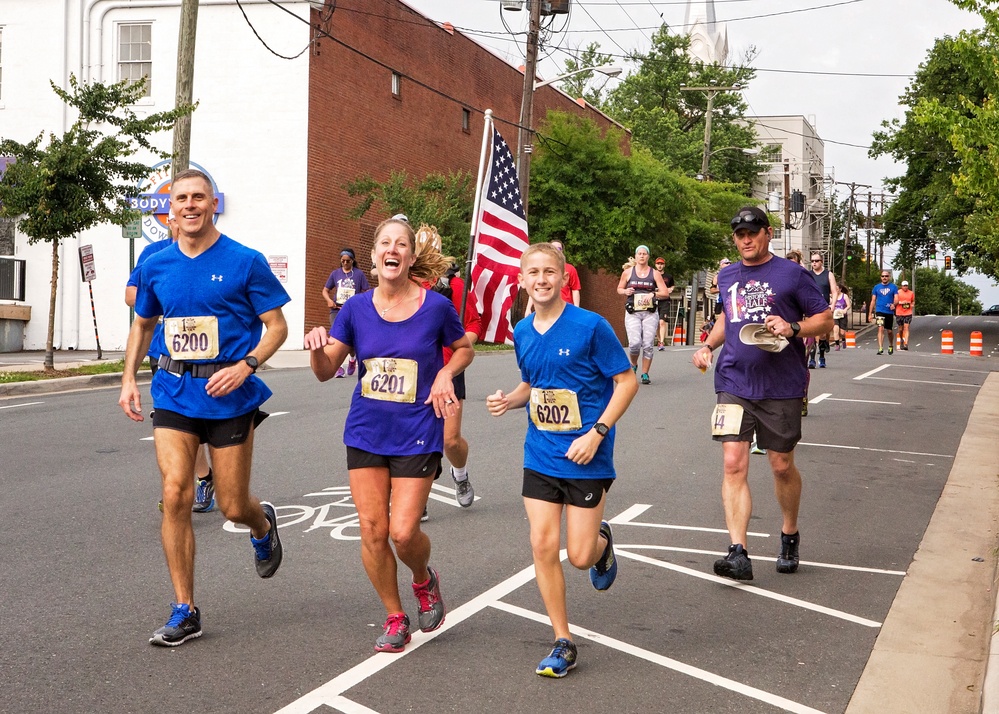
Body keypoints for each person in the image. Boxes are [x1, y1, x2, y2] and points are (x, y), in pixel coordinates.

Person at [118, 169, 290, 646]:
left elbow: (277, 326)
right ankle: (184, 608)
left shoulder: (244, 261)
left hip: (229, 393)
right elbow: (143, 324)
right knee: (176, 492)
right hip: (173, 389)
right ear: (169, 209)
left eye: (198, 197)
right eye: (181, 199)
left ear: (213, 203)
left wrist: (247, 365)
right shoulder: (157, 263)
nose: (190, 205)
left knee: (233, 505)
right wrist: (129, 377)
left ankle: (262, 524)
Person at [303, 216, 473, 653]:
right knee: (372, 530)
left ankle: (423, 578)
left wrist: (445, 376)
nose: (392, 249)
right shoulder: (355, 308)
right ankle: (395, 616)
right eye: (384, 243)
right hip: (365, 430)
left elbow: (464, 348)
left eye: (401, 244)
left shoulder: (435, 306)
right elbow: (326, 372)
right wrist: (318, 348)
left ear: (411, 256)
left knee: (402, 532)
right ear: (375, 256)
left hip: (418, 429)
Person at [486, 243, 638, 678]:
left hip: (588, 454)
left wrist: (597, 432)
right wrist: (508, 400)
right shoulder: (522, 331)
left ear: (563, 277)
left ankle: (602, 546)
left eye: (549, 272)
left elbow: (626, 383)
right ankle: (562, 640)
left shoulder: (591, 326)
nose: (541, 279)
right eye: (532, 272)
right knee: (542, 543)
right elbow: (531, 385)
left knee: (580, 556)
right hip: (541, 453)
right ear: (522, 281)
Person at [692, 206, 832, 582]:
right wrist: (708, 345)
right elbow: (728, 316)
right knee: (734, 461)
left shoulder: (792, 274)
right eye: (739, 234)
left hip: (781, 384)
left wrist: (793, 326)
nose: (746, 239)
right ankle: (738, 551)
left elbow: (825, 318)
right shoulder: (727, 275)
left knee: (780, 464)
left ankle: (789, 533)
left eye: (753, 232)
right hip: (734, 381)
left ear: (768, 233)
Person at [126, 213, 216, 513]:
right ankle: (177, 487)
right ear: (171, 223)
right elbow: (130, 295)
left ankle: (203, 476)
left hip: (208, 357)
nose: (183, 224)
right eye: (176, 219)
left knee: (198, 417)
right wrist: (167, 296)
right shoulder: (154, 256)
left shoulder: (213, 252)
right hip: (164, 352)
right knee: (174, 419)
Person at [417, 225, 483, 516]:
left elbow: (473, 325)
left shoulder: (454, 286)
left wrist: (460, 345)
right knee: (415, 441)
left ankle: (461, 474)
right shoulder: (402, 285)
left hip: (449, 369)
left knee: (449, 440)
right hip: (415, 373)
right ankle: (417, 501)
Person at [617, 245, 671, 385]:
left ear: (648, 257)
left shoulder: (654, 274)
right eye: (639, 253)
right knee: (634, 343)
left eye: (644, 254)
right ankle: (633, 364)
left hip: (650, 313)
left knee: (647, 344)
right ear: (635, 256)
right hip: (633, 312)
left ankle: (645, 373)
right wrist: (625, 292)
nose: (642, 256)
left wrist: (653, 294)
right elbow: (619, 288)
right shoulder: (628, 273)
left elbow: (665, 293)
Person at [322, 248, 370, 378]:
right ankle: (338, 367)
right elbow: (325, 290)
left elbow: (367, 291)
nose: (344, 263)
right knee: (336, 337)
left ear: (352, 261)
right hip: (336, 310)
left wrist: (359, 303)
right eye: (342, 261)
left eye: (347, 261)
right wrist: (328, 301)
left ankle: (352, 359)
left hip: (353, 311)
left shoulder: (359, 274)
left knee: (352, 339)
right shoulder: (335, 274)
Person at [786, 250, 813, 417]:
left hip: (803, 329)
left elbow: (813, 310)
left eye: (792, 262)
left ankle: (802, 396)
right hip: (785, 330)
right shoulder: (781, 279)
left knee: (802, 364)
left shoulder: (804, 279)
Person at [524, 238, 581, 313]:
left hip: (565, 309)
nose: (556, 250)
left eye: (558, 248)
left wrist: (576, 309)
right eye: (552, 248)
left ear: (562, 251)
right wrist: (528, 308)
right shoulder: (540, 268)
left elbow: (575, 290)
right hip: (545, 309)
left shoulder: (570, 269)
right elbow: (536, 289)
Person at [807, 253, 838, 368]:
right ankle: (812, 359)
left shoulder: (828, 274)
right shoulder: (808, 275)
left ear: (822, 261)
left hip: (823, 306)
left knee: (822, 334)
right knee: (812, 333)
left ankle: (822, 356)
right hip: (811, 307)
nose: (814, 263)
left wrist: (833, 305)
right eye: (812, 261)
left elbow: (834, 291)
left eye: (816, 260)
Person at [870, 270, 900, 355]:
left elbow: (897, 299)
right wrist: (870, 313)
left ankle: (890, 345)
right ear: (881, 277)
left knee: (889, 331)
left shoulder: (893, 287)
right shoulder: (876, 287)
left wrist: (894, 304)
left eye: (886, 276)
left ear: (889, 277)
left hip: (889, 311)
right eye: (883, 276)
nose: (884, 278)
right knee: (880, 328)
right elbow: (873, 300)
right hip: (879, 310)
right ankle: (880, 347)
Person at [653, 257, 675, 350]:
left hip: (665, 300)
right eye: (658, 264)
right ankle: (659, 340)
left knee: (662, 322)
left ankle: (662, 342)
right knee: (657, 323)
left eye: (661, 264)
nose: (660, 265)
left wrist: (671, 289)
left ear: (664, 265)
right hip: (655, 300)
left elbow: (672, 285)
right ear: (655, 265)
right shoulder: (652, 275)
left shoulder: (668, 276)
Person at [832, 279, 852, 350]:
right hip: (835, 316)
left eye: (837, 289)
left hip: (843, 315)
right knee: (835, 329)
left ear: (840, 289)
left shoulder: (844, 296)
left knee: (842, 333)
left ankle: (843, 340)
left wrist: (845, 310)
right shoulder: (832, 296)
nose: (836, 290)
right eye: (835, 289)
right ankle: (837, 345)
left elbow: (849, 305)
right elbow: (830, 304)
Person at [895, 280, 915, 349]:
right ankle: (901, 339)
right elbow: (895, 301)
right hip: (899, 313)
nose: (905, 287)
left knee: (906, 327)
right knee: (900, 329)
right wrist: (901, 302)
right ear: (901, 286)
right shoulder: (898, 292)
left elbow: (913, 301)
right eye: (904, 286)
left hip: (908, 313)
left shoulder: (911, 293)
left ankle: (906, 343)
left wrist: (912, 305)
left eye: (906, 286)